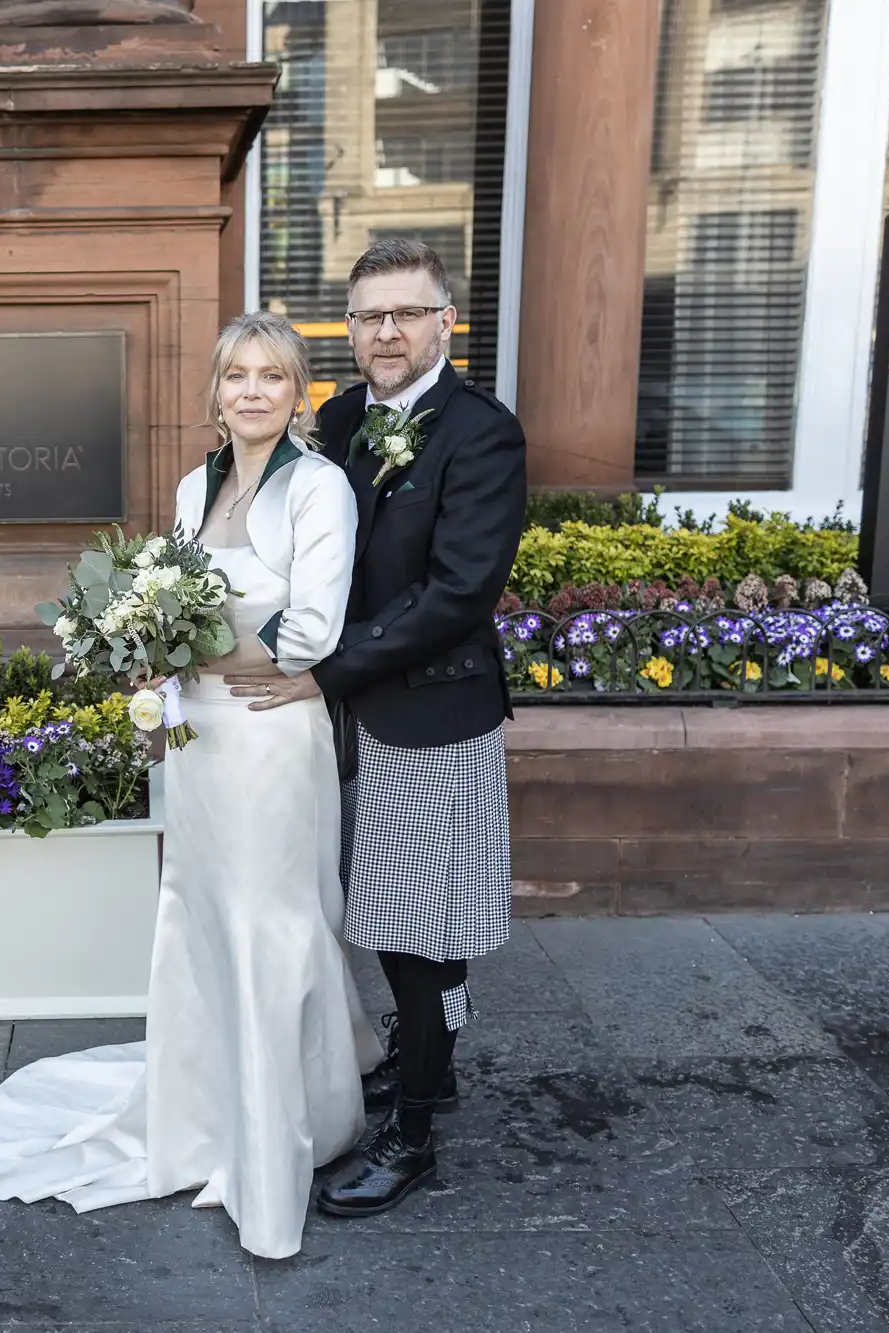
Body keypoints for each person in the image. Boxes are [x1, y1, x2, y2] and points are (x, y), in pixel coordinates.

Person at [0, 311, 381, 1259]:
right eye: (237, 376)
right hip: (194, 743)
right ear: (215, 391)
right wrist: (149, 668)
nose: (255, 391)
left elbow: (310, 634)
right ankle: (200, 1112)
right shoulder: (195, 486)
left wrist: (174, 639)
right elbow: (168, 613)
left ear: (299, 390)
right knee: (198, 911)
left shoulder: (322, 489)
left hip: (271, 736)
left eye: (274, 375)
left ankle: (279, 1135)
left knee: (271, 919)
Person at [228, 237, 527, 1217]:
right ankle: (409, 1049)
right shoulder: (344, 417)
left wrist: (319, 670)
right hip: (342, 708)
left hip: (429, 708)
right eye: (366, 317)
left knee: (415, 929)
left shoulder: (480, 434)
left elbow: (455, 593)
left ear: (445, 321)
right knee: (364, 906)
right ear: (347, 329)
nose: (385, 332)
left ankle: (414, 1130)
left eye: (405, 313)